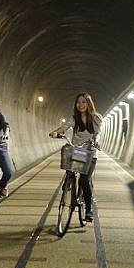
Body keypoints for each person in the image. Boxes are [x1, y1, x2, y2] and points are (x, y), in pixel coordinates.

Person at [49, 92, 103, 222]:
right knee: (70, 165)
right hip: (77, 151)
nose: (81, 105)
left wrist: (95, 141)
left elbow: (98, 133)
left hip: (90, 153)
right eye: (78, 102)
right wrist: (56, 132)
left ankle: (89, 209)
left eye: (84, 102)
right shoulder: (74, 118)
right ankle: (69, 179)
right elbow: (64, 127)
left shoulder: (96, 118)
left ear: (89, 103)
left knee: (84, 180)